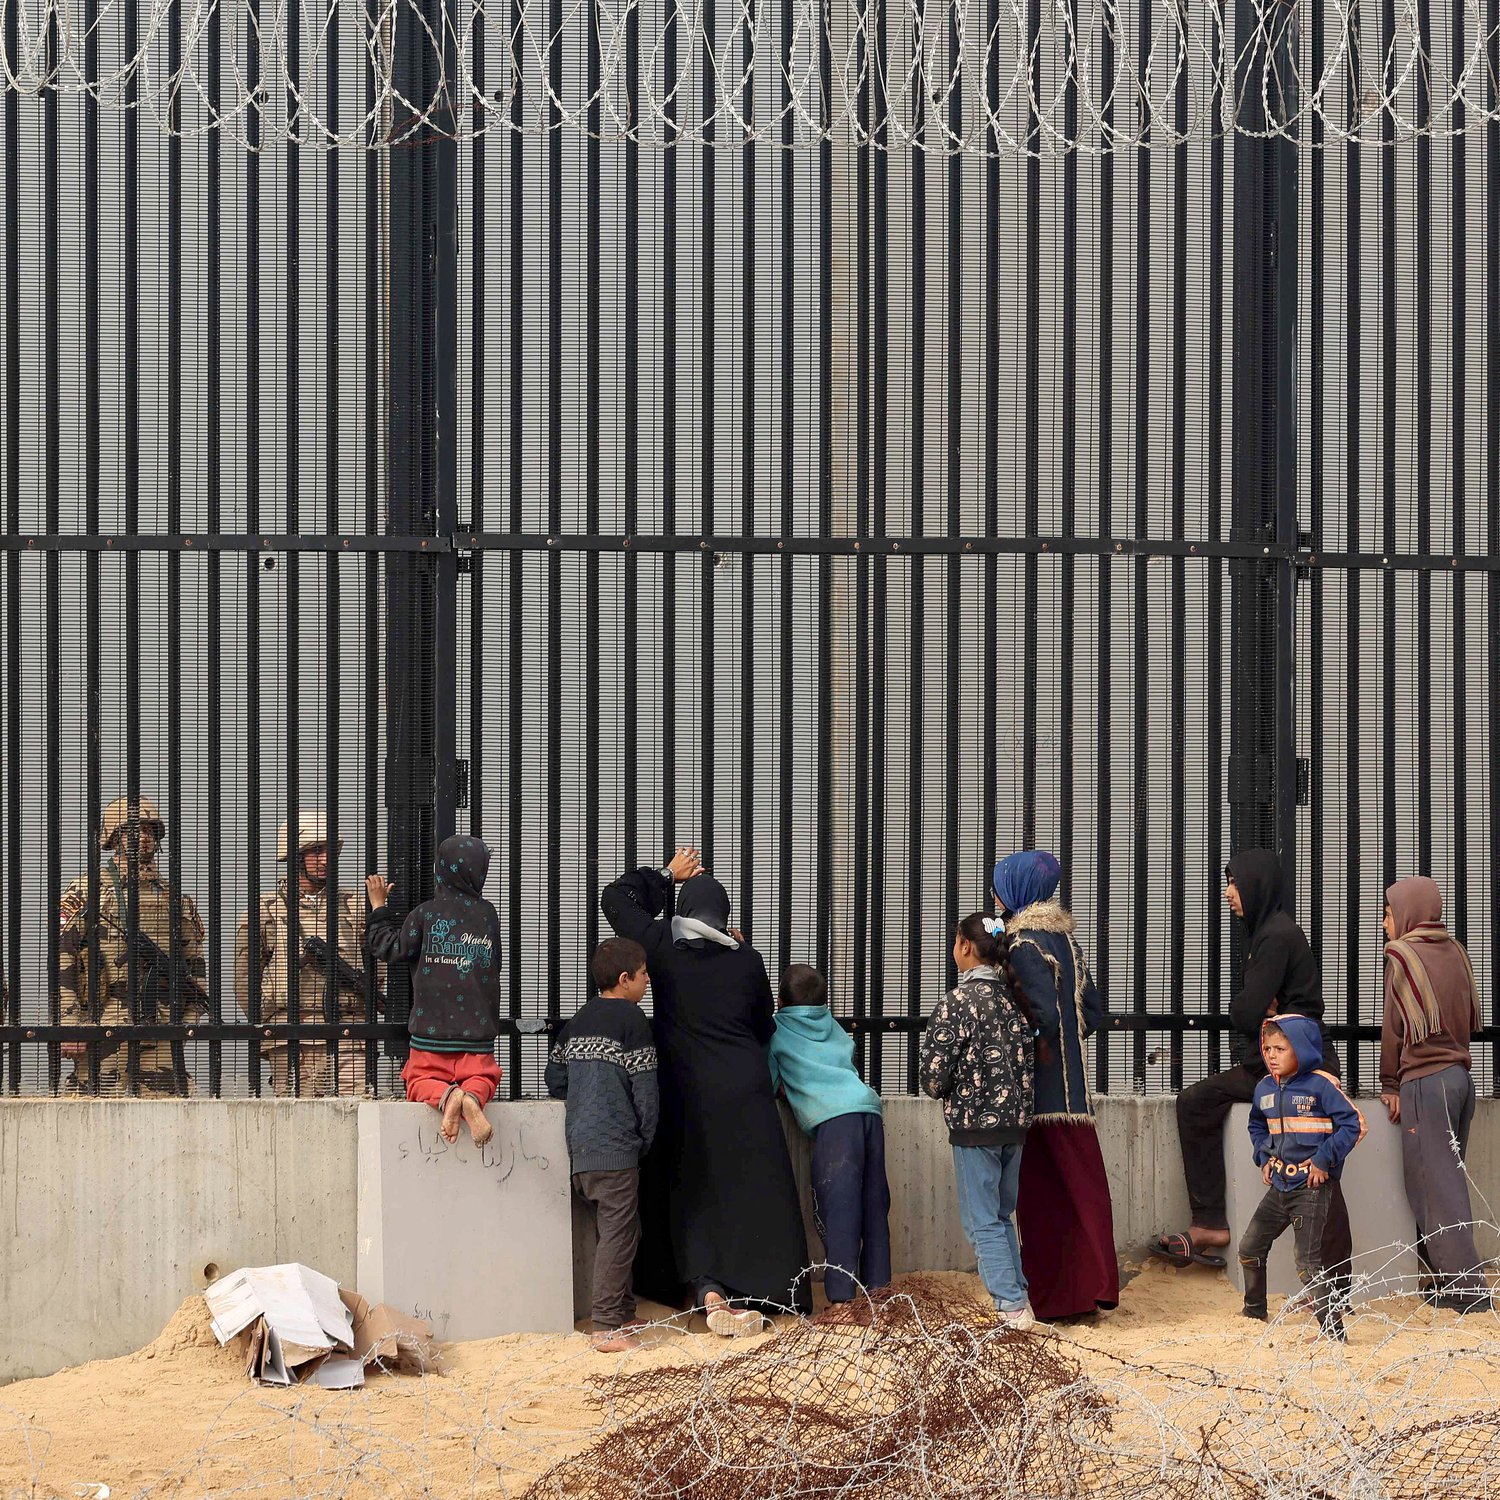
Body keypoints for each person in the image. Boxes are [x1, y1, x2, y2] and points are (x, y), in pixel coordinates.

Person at [601, 848, 812, 1333]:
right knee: (752, 1188)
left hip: (687, 1088)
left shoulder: (661, 946)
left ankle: (706, 1288)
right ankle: (774, 1290)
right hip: (744, 1088)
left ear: (683, 910)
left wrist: (664, 876)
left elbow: (615, 899)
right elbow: (764, 1024)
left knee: (693, 1185)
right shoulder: (748, 960)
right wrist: (741, 954)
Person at [1155, 848, 1355, 1295]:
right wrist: (1258, 1007)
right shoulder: (1273, 933)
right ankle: (1333, 1284)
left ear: (1256, 887)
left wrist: (1253, 1007)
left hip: (1300, 1068)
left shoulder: (1275, 937)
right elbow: (1253, 1009)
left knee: (1198, 1104)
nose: (1227, 893)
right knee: (1318, 1174)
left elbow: (1245, 1013)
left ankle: (1210, 1224)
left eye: (1234, 884)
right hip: (1288, 1062)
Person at [992, 850, 1118, 1321]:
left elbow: (1037, 1018)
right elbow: (1092, 1012)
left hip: (1038, 1093)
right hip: (1075, 1092)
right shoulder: (1066, 941)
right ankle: (1095, 1288)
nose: (995, 894)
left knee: (1043, 1199)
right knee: (1082, 1190)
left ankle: (1058, 1297)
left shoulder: (1022, 943)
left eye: (1000, 885)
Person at [919, 913, 1038, 1331]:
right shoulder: (1014, 1001)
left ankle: (1010, 1307)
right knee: (1002, 1216)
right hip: (1015, 1127)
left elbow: (933, 1078)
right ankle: (1019, 1299)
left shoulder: (958, 1002)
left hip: (974, 1129)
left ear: (965, 947)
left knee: (981, 1221)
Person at [1378, 876, 1491, 1313]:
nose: (1385, 923)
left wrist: (1390, 1084)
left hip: (1426, 1082)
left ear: (1406, 912)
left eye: (1388, 913)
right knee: (1447, 1182)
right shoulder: (1455, 951)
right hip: (1461, 1081)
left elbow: (1395, 1030)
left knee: (1434, 1187)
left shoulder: (1404, 956)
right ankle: (1451, 1283)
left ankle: (1467, 1294)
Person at [546, 936, 661, 1352]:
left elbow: (555, 1077)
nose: (649, 980)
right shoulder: (633, 1022)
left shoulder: (579, 1020)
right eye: (645, 973)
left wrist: (584, 1100)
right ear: (625, 979)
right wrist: (642, 1138)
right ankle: (608, 1327)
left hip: (581, 1147)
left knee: (620, 1229)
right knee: (617, 1233)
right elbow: (646, 1092)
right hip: (616, 1147)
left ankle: (624, 1310)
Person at [58, 795, 207, 1096]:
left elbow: (194, 965)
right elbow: (64, 957)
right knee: (95, 1107)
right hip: (104, 1018)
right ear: (113, 838)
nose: (144, 837)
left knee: (166, 1111)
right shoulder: (88, 890)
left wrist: (188, 1019)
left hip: (162, 1022)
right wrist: (70, 1023)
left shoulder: (175, 899)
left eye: (150, 831)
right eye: (132, 830)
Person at [365, 835, 503, 1147]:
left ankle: (449, 1095)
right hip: (478, 1035)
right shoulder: (488, 915)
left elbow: (391, 947)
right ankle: (471, 1097)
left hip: (431, 1032)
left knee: (418, 1081)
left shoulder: (426, 914)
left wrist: (378, 906)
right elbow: (496, 963)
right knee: (485, 1078)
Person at [768, 964, 892, 1304]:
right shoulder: (833, 1026)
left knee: (839, 1208)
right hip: (868, 1109)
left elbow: (774, 1083)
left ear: (780, 1001)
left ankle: (841, 1300)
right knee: (873, 1203)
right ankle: (880, 1292)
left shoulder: (777, 1030)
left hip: (835, 1123)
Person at [236, 814, 378, 1097]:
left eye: (329, 851)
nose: (326, 859)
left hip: (349, 1030)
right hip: (291, 1032)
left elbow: (379, 965)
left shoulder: (356, 906)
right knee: (296, 1120)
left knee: (358, 1111)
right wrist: (270, 1016)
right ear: (295, 856)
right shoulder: (266, 910)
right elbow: (244, 977)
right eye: (315, 851)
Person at [1240, 1016, 1363, 1339]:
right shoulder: (1264, 1088)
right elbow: (1256, 1125)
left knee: (1308, 1265)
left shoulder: (1322, 1084)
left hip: (1310, 1188)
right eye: (1267, 1048)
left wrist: (1325, 1160)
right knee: (1250, 1248)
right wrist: (1263, 1155)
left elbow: (1354, 1125)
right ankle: (1253, 1314)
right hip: (1278, 1186)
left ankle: (1334, 1333)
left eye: (1281, 1048)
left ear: (1303, 1049)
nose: (1271, 1055)